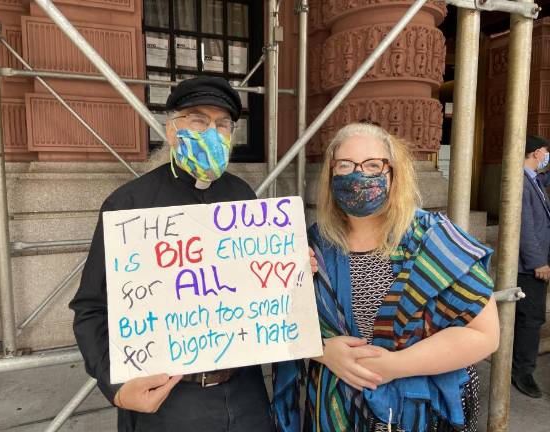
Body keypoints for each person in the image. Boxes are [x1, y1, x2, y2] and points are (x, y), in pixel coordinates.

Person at [70, 76, 318, 432]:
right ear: (172, 131)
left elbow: (258, 288)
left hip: (245, 393)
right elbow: (90, 308)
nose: (212, 133)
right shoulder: (128, 205)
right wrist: (117, 388)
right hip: (169, 402)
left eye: (222, 125)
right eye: (199, 121)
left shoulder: (243, 197)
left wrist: (292, 272)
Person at [273, 122, 500, 432]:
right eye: (345, 165)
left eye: (372, 164)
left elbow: (485, 334)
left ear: (393, 174)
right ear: (330, 176)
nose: (358, 175)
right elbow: (280, 324)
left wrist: (392, 367)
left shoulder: (434, 240)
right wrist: (323, 351)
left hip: (419, 413)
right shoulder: (314, 245)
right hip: (334, 410)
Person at [513, 134, 550, 398]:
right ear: (536, 153)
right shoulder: (521, 183)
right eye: (546, 152)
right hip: (528, 267)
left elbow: (543, 180)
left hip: (530, 265)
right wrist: (538, 261)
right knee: (530, 320)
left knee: (529, 318)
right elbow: (523, 225)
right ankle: (522, 373)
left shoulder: (532, 178)